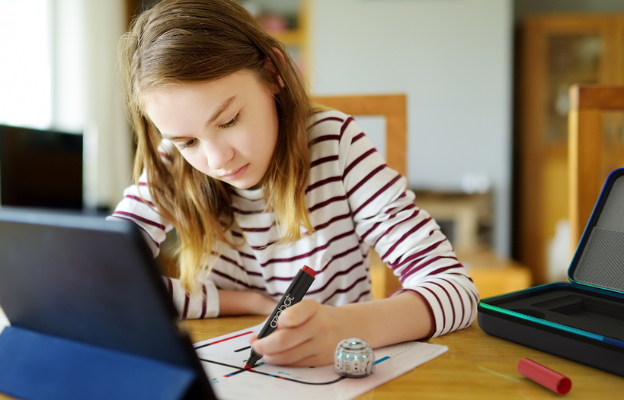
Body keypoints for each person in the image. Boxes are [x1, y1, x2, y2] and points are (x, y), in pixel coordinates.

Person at [110, 0, 478, 367]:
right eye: (188, 141)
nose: (217, 159)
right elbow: (103, 280)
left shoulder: (335, 144)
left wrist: (346, 326)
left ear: (273, 72)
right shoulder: (172, 162)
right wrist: (249, 303)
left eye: (229, 120)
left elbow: (457, 290)